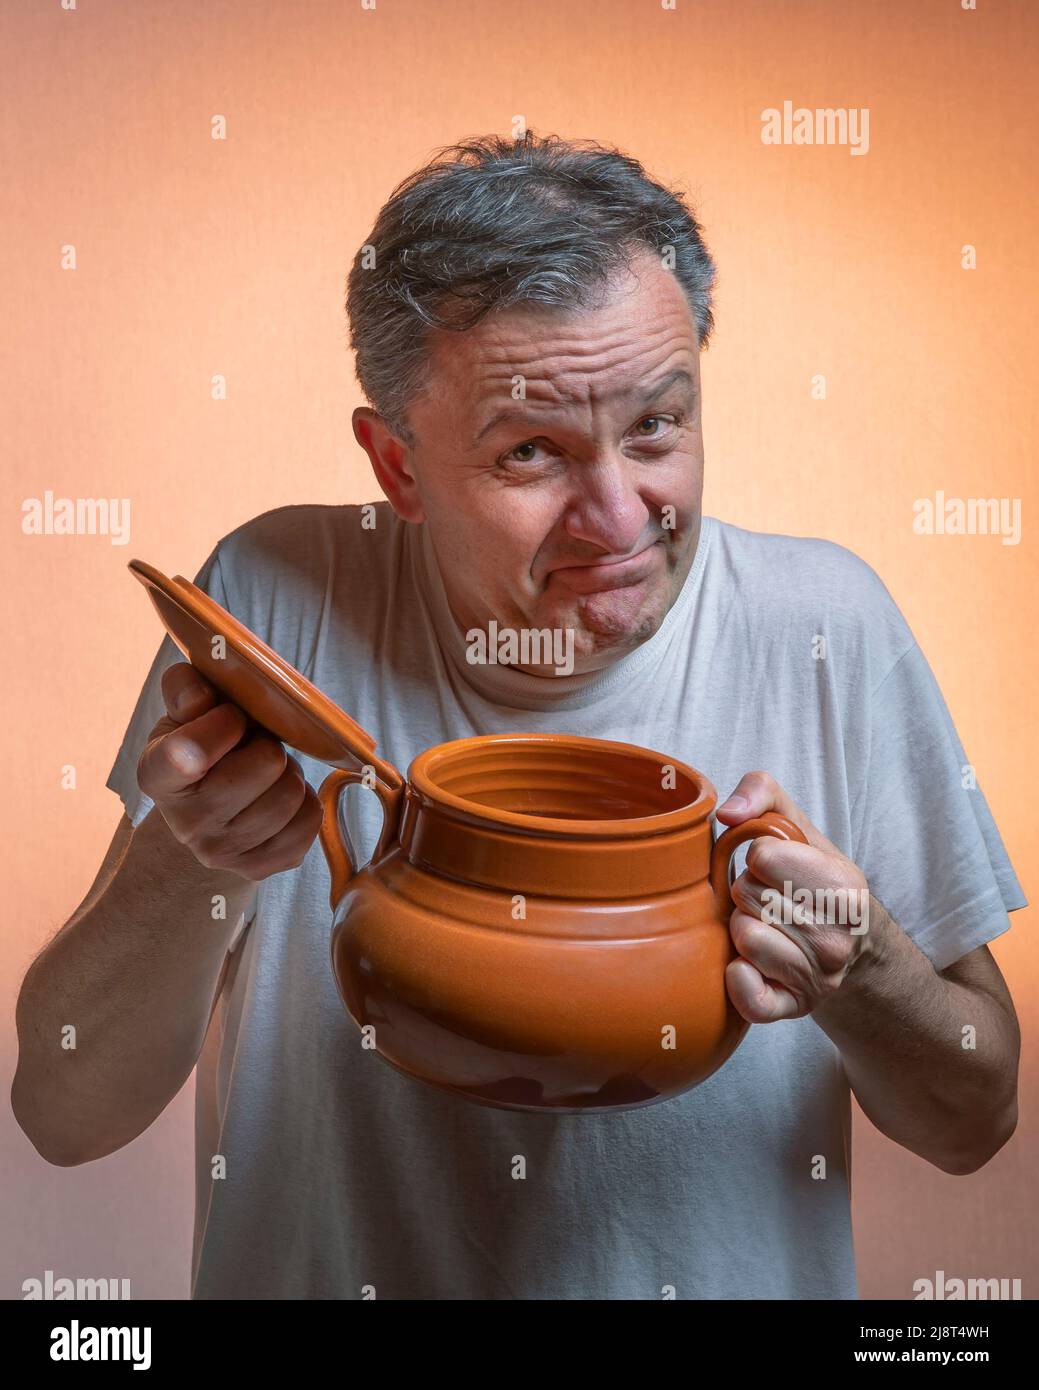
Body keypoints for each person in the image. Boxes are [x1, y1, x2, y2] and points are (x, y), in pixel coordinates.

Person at [12, 132, 1025, 1300]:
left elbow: (974, 1117)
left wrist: (865, 973)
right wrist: (192, 862)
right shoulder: (279, 595)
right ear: (396, 465)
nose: (620, 517)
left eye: (656, 426)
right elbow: (63, 1108)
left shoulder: (824, 624)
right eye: (532, 451)